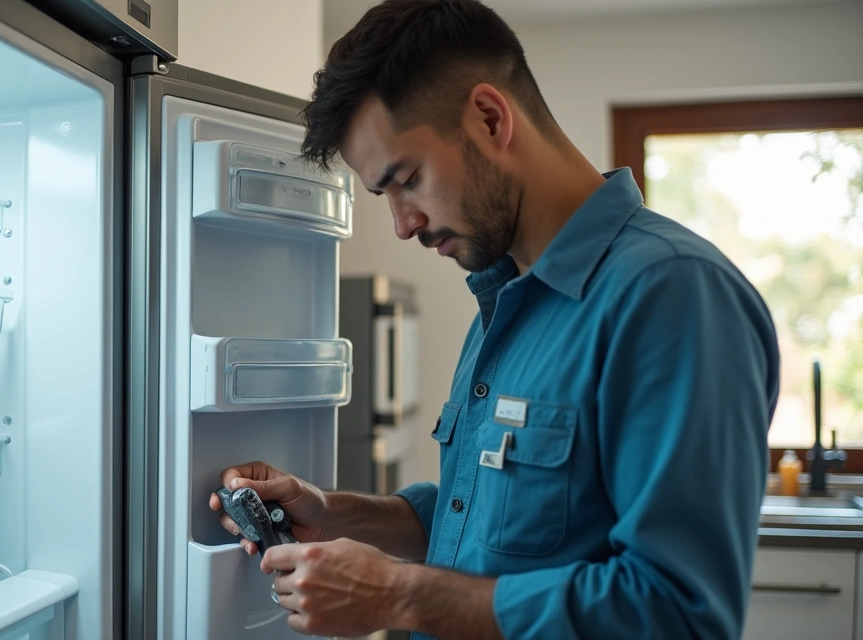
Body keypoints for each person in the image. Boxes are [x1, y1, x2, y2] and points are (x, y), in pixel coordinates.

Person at [208, 0, 781, 638]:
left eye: (408, 180)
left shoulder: (671, 294)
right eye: (385, 196)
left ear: (489, 117)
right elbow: (480, 525)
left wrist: (399, 595)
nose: (403, 226)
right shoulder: (504, 304)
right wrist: (333, 512)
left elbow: (677, 612)